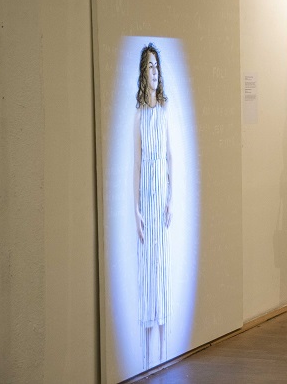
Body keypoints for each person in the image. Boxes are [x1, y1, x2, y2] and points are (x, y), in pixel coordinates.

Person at [134, 43, 174, 368]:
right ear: (143, 73)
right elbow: (136, 164)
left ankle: (164, 354)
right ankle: (147, 360)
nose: (155, 72)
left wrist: (171, 199)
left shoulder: (163, 111)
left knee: (161, 269)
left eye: (157, 66)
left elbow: (171, 157)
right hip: (146, 199)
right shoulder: (139, 115)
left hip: (161, 200)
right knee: (147, 272)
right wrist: (135, 210)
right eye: (150, 66)